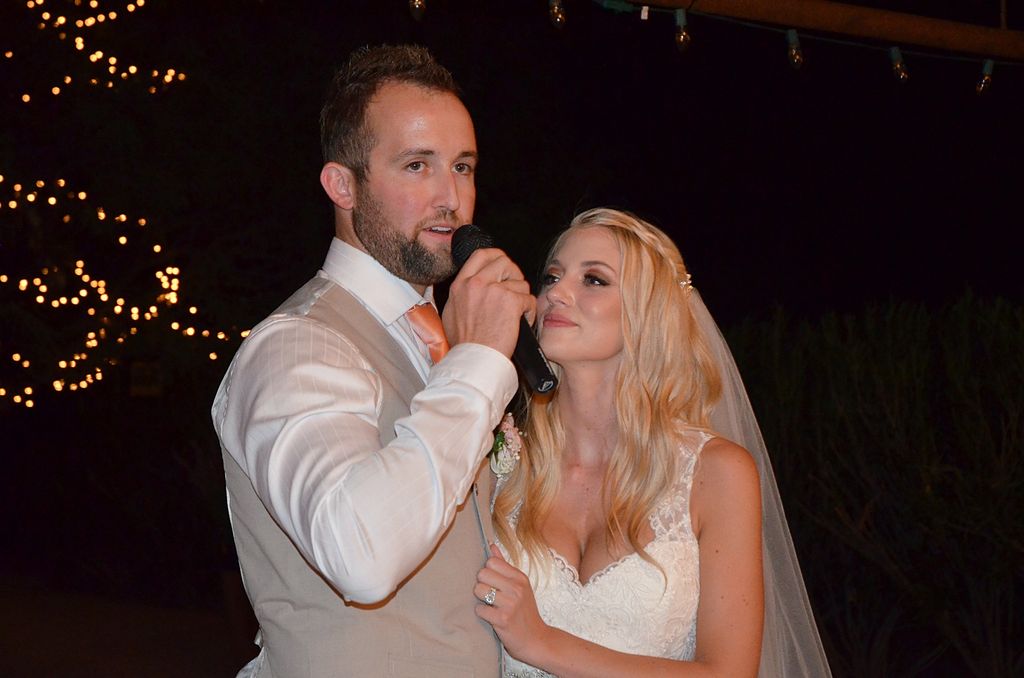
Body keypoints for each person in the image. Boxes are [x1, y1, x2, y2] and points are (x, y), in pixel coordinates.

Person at [212, 45, 534, 678]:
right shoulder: (297, 345)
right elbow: (357, 555)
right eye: (417, 165)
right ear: (343, 184)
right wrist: (476, 365)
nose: (452, 198)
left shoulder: (446, 337)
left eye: (463, 166)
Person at [475, 208, 832, 677]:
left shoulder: (716, 473)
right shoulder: (500, 460)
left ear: (648, 312)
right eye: (552, 276)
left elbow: (729, 673)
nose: (556, 294)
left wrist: (541, 643)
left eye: (595, 280)